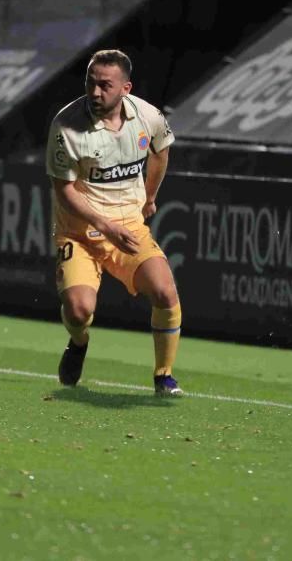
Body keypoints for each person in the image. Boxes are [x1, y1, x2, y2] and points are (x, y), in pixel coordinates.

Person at [45, 49, 183, 396]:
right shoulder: (67, 125)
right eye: (90, 83)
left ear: (125, 88)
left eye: (104, 85)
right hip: (80, 232)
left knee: (165, 293)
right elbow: (63, 191)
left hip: (129, 227)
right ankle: (78, 343)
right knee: (78, 311)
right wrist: (106, 226)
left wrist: (150, 197)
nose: (94, 92)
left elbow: (161, 151)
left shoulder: (147, 116)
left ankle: (163, 376)